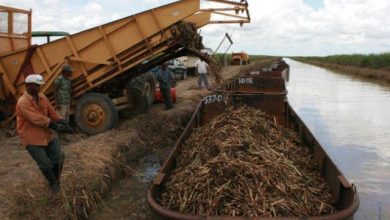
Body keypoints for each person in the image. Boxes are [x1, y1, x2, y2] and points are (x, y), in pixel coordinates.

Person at [16, 74, 74, 193]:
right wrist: (57, 127)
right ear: (28, 85)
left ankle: (55, 181)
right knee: (45, 163)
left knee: (59, 157)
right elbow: (37, 119)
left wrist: (62, 121)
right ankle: (53, 184)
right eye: (36, 85)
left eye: (39, 85)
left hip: (46, 134)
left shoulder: (42, 97)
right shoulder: (23, 102)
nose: (39, 88)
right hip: (31, 137)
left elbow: (52, 112)